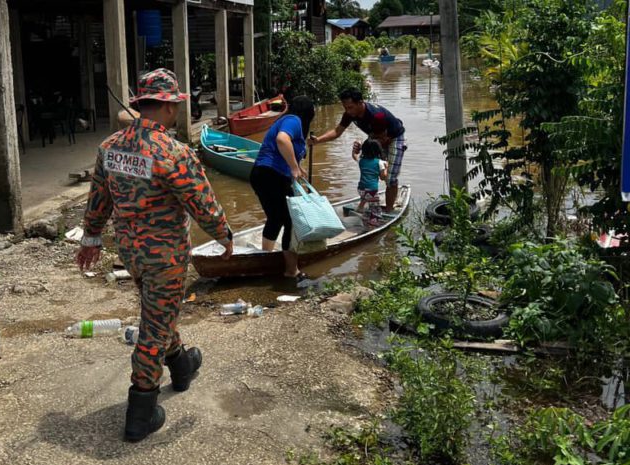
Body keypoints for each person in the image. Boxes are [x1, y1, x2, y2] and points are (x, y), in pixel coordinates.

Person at [75, 69, 233, 443]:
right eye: (176, 105)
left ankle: (182, 365)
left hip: (131, 253)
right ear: (165, 106)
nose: (178, 111)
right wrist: (225, 236)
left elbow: (99, 199)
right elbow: (203, 204)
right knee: (152, 331)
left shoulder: (109, 147)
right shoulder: (173, 152)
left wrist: (91, 238)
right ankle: (140, 412)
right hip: (165, 256)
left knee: (158, 312)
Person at [249, 95, 315, 280]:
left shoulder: (288, 122)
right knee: (291, 221)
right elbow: (281, 140)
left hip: (261, 174)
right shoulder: (293, 120)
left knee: (275, 218)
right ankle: (291, 271)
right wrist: (294, 167)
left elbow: (286, 148)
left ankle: (266, 258)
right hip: (272, 175)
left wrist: (298, 167)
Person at [310, 88, 405, 212]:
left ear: (360, 102)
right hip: (377, 136)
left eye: (350, 107)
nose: (348, 111)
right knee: (374, 169)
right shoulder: (349, 114)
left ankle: (389, 209)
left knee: (390, 178)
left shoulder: (375, 115)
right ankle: (377, 197)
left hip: (394, 138)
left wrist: (364, 146)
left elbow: (383, 139)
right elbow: (337, 132)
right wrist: (317, 140)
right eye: (345, 107)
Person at [352, 137, 388, 226]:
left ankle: (360, 208)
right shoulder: (379, 162)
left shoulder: (361, 160)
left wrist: (354, 149)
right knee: (375, 209)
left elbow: (354, 156)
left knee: (365, 197)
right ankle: (373, 222)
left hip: (360, 188)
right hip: (371, 190)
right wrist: (386, 167)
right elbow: (383, 177)